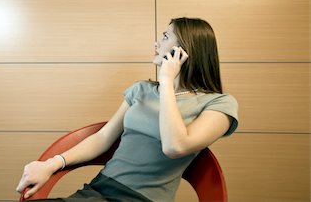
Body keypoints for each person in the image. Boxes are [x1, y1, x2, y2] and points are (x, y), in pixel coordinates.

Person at [16, 17, 239, 202]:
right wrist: (51, 164)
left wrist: (167, 82)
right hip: (98, 190)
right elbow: (103, 137)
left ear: (184, 50)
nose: (156, 43)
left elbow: (175, 147)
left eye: (164, 37)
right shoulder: (141, 90)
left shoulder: (219, 103)